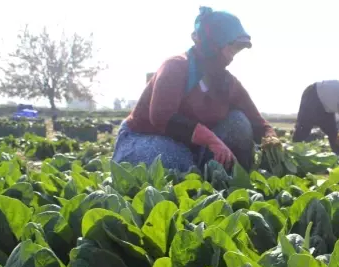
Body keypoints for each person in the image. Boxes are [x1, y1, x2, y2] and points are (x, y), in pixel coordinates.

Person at [112, 7, 279, 172]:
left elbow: (258, 123)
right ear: (214, 44)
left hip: (193, 148)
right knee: (174, 160)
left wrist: (270, 138)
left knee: (239, 121)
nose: (232, 55)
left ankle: (224, 175)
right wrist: (212, 140)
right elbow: (161, 116)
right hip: (143, 138)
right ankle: (197, 171)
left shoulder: (228, 82)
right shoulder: (176, 66)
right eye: (231, 47)